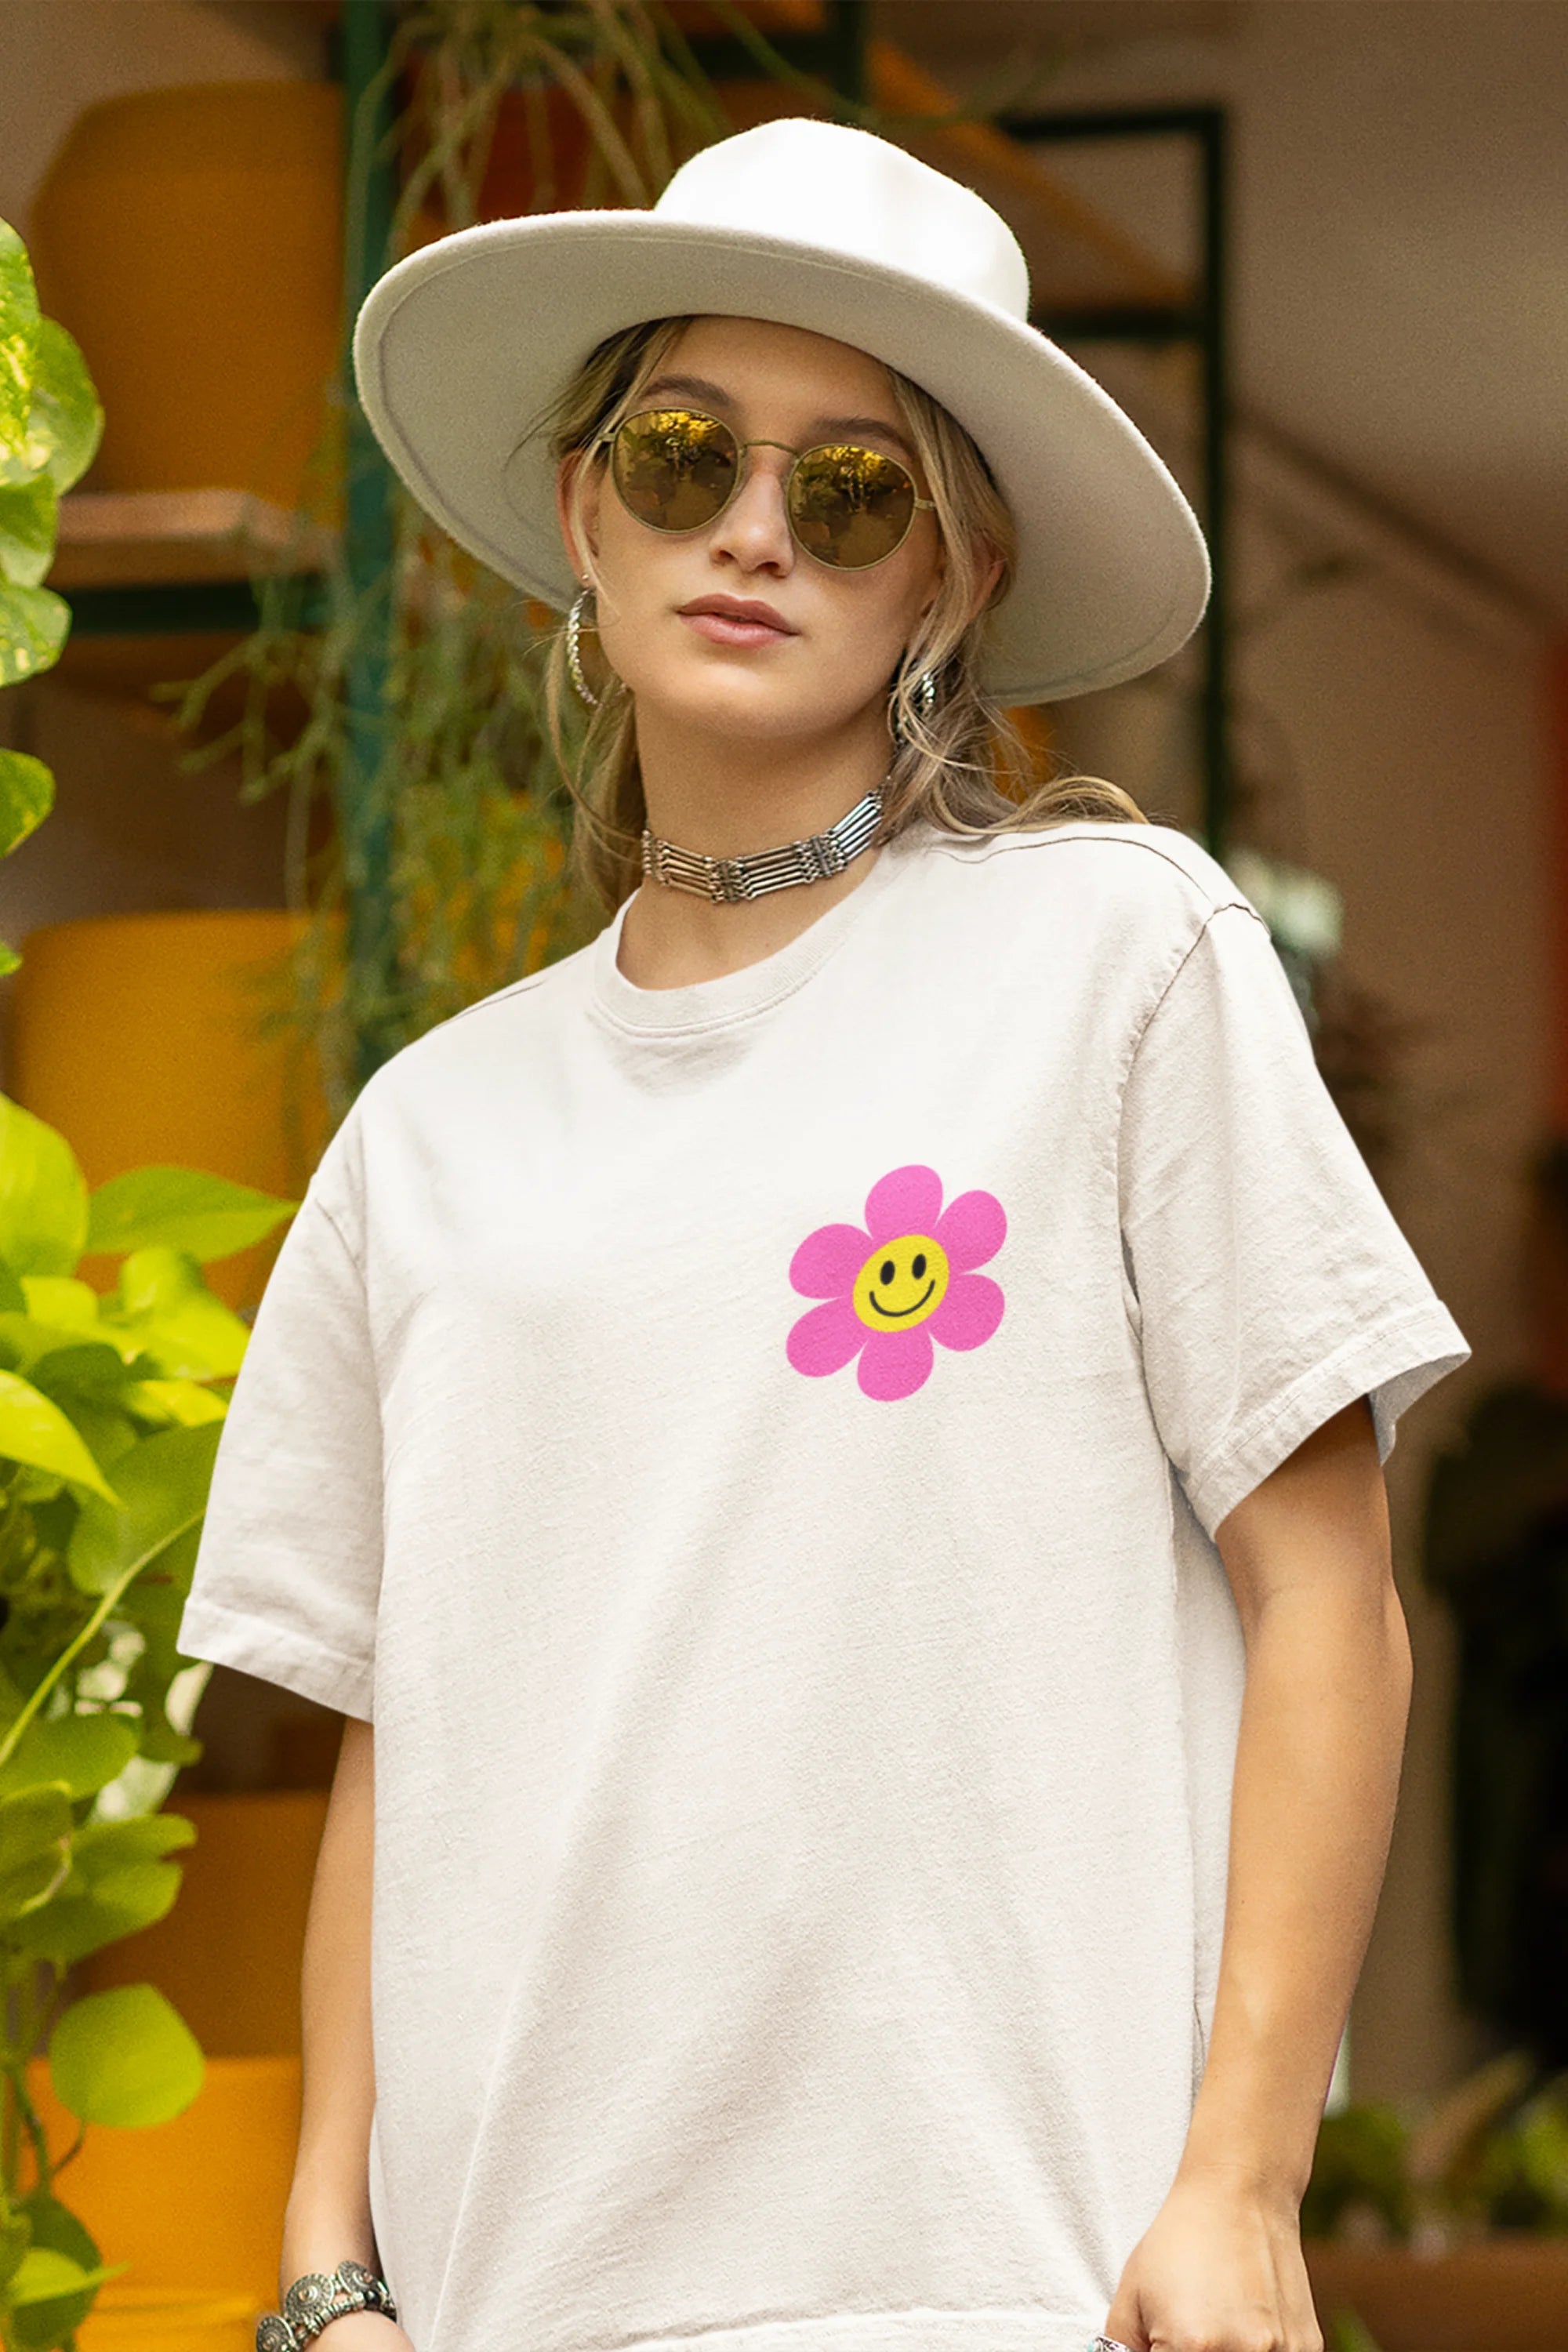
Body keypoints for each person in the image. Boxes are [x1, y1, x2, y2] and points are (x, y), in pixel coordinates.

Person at [176, 119, 1469, 2352]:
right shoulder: (428, 1133)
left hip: (1009, 2283)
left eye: (851, 489)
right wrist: (327, 2276)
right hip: (507, 2299)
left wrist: (1244, 2187)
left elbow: (1332, 1604)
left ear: (948, 581)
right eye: (683, 457)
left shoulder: (1119, 962)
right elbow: (409, 1726)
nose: (754, 529)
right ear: (586, 515)